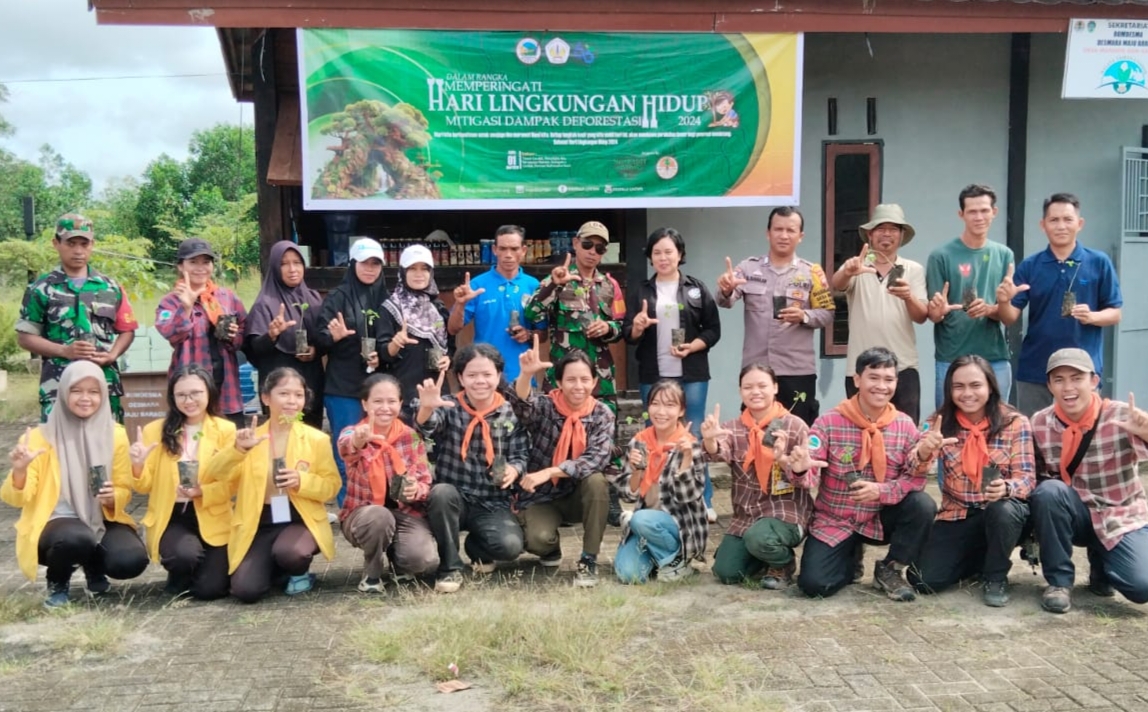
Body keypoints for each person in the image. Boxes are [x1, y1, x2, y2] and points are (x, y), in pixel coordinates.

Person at [794, 348, 942, 601]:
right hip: (836, 519)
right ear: (857, 379)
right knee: (814, 585)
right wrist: (800, 468)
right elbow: (811, 472)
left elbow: (914, 478)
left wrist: (923, 456)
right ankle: (850, 556)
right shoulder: (828, 423)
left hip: (881, 516)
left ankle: (890, 567)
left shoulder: (904, 425)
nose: (881, 386)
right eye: (874, 377)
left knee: (922, 504)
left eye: (889, 379)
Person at [1, 360, 147, 607]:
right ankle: (58, 581)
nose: (85, 398)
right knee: (76, 538)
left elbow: (124, 489)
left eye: (93, 391)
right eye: (76, 390)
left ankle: (93, 565)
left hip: (100, 518)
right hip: (56, 523)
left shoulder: (116, 434)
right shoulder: (40, 437)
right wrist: (20, 470)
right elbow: (15, 498)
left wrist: (113, 497)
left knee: (130, 560)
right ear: (64, 393)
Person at [201, 367, 340, 602]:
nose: (292, 401)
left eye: (298, 395)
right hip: (260, 521)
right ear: (266, 398)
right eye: (284, 394)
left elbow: (331, 486)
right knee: (245, 591)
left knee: (291, 553)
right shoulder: (250, 438)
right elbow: (216, 474)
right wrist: (237, 450)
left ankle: (297, 570)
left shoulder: (317, 439)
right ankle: (275, 569)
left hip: (299, 517)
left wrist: (302, 481)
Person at [1028, 348, 1148, 614]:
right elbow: (1031, 475)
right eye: (1058, 379)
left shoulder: (1120, 415)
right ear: (1049, 385)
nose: (1068, 387)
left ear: (1094, 381)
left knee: (1142, 586)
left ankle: (1103, 566)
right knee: (1048, 491)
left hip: (1121, 516)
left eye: (1077, 377)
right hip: (1076, 512)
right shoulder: (1039, 423)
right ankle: (1059, 582)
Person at [909, 356, 1035, 607]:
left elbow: (1028, 478)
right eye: (959, 386)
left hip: (1002, 511)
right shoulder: (939, 421)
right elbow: (913, 466)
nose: (967, 393)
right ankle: (984, 556)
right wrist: (924, 451)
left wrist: (1007, 487)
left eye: (975, 385)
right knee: (922, 580)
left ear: (990, 386)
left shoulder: (1014, 422)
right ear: (949, 390)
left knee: (1003, 510)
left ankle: (996, 576)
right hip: (959, 513)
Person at [623, 227, 722, 522]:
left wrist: (693, 346)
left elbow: (713, 329)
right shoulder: (641, 291)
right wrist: (638, 326)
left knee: (691, 436)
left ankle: (701, 499)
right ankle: (655, 498)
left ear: (680, 254)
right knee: (654, 436)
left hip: (691, 374)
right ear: (650, 257)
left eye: (669, 251)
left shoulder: (697, 288)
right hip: (654, 375)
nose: (663, 257)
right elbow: (628, 334)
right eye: (657, 252)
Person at [417, 344, 529, 593]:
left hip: (492, 500)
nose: (480, 381)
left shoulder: (510, 411)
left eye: (487, 374)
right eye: (472, 375)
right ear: (460, 377)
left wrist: (514, 469)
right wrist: (426, 408)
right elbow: (427, 426)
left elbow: (521, 454)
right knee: (441, 493)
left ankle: (476, 548)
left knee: (510, 547)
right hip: (454, 498)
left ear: (498, 376)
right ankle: (450, 566)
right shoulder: (448, 405)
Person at [996, 193, 1123, 415]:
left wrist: (1092, 316)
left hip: (1083, 371)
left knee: (1084, 438)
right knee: (1036, 440)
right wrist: (1004, 300)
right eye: (1054, 220)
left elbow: (1115, 313)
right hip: (1036, 371)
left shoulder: (1098, 262)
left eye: (1068, 219)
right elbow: (1009, 317)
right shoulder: (1031, 266)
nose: (1061, 226)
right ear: (1043, 225)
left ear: (1079, 224)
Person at [510, 342, 615, 587]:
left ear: (594, 382)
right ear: (559, 383)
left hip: (579, 496)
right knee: (538, 540)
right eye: (571, 380)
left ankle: (589, 559)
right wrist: (526, 375)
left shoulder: (602, 414)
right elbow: (522, 406)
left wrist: (550, 471)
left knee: (596, 481)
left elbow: (596, 458)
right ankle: (551, 549)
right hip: (542, 496)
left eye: (584, 379)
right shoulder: (546, 406)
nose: (578, 386)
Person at [716, 207, 834, 425]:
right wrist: (725, 288)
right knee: (756, 430)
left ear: (801, 236)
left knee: (796, 430)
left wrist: (804, 316)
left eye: (791, 230)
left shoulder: (812, 273)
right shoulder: (748, 268)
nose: (784, 235)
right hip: (757, 368)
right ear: (768, 233)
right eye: (778, 229)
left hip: (797, 368)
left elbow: (827, 314)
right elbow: (726, 301)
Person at [16, 213, 138, 422]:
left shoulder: (110, 287)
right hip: (58, 385)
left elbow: (127, 329)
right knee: (58, 449)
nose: (78, 250)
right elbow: (25, 337)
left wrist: (112, 355)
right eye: (71, 243)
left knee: (107, 447)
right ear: (56, 243)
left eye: (84, 243)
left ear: (92, 244)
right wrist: (64, 350)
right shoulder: (41, 288)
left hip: (103, 383)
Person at [130, 364, 236, 599]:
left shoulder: (226, 430)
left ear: (209, 392)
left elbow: (232, 484)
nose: (189, 400)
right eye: (181, 395)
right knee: (184, 556)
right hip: (173, 515)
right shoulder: (155, 431)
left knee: (211, 590)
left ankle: (197, 574)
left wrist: (202, 492)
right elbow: (143, 486)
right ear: (172, 397)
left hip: (211, 512)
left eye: (196, 393)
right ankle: (179, 573)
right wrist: (137, 465)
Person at [704, 364, 812, 589]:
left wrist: (784, 461)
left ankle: (783, 563)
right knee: (726, 572)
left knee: (759, 537)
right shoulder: (733, 427)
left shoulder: (793, 425)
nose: (755, 392)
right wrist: (709, 440)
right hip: (747, 517)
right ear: (740, 391)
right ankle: (764, 558)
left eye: (762, 385)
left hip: (786, 515)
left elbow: (810, 479)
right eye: (748, 387)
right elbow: (716, 453)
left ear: (775, 387)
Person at [337, 373, 439, 592]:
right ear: (364, 404)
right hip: (364, 514)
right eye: (377, 401)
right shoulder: (353, 432)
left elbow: (424, 479)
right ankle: (372, 573)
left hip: (404, 512)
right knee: (379, 516)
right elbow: (347, 447)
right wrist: (359, 440)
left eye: (391, 401)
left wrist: (416, 490)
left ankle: (397, 556)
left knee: (423, 561)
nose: (385, 407)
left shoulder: (410, 436)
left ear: (400, 404)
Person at [830, 204, 927, 423]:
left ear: (901, 235)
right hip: (861, 368)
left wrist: (908, 296)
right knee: (861, 431)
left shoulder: (913, 269)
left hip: (903, 366)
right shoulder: (856, 265)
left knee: (906, 433)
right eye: (880, 228)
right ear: (870, 234)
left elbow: (921, 316)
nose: (887, 234)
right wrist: (847, 271)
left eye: (893, 229)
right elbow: (836, 285)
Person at [926, 184, 1016, 408]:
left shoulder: (1004, 254)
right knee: (948, 425)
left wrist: (993, 308)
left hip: (993, 356)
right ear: (961, 214)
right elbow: (934, 313)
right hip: (952, 356)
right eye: (972, 211)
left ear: (994, 212)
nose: (979, 217)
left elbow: (1008, 317)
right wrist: (938, 310)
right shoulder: (941, 256)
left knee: (998, 424)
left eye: (985, 210)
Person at [612, 380, 707, 584]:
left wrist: (687, 459)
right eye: (655, 403)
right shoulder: (639, 441)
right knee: (629, 575)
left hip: (678, 525)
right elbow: (627, 494)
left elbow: (687, 496)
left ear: (681, 411)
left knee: (640, 519)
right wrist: (637, 469)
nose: (661, 411)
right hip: (646, 524)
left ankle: (678, 559)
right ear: (648, 407)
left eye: (670, 405)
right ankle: (664, 560)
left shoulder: (690, 444)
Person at [314, 237, 387, 505]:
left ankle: (376, 503)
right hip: (343, 387)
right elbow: (318, 341)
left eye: (375, 264)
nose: (370, 269)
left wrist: (384, 352)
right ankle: (349, 505)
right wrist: (334, 337)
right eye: (364, 263)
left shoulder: (385, 298)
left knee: (376, 446)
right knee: (347, 446)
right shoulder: (338, 297)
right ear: (352, 264)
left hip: (377, 387)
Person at [524, 221, 626, 411]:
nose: (592, 252)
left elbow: (621, 325)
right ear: (575, 243)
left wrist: (608, 328)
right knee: (560, 434)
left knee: (601, 435)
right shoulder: (556, 279)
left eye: (599, 248)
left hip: (599, 379)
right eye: (587, 244)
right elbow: (531, 312)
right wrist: (555, 285)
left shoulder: (610, 285)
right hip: (563, 378)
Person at [156, 238, 248, 427]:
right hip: (190, 388)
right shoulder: (171, 301)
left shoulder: (226, 297)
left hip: (226, 387)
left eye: (206, 262)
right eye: (193, 262)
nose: (200, 268)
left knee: (232, 444)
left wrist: (234, 335)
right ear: (181, 266)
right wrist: (187, 307)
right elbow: (170, 334)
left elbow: (244, 331)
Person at [243, 241, 325, 429]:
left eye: (297, 262)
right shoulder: (264, 303)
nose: (292, 269)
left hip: (310, 383)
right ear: (274, 267)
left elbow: (321, 338)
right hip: (279, 386)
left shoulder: (313, 298)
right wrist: (271, 335)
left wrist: (316, 350)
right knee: (281, 440)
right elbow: (254, 348)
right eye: (284, 264)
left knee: (310, 441)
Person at [448, 225, 543, 382]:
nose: (508, 255)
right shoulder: (478, 285)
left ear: (524, 250)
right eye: (503, 248)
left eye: (514, 249)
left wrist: (528, 334)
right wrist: (460, 304)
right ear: (494, 250)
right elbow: (453, 328)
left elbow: (544, 333)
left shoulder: (533, 286)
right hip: (485, 376)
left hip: (522, 375)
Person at [377, 244, 453, 419]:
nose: (419, 274)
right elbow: (382, 353)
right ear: (403, 272)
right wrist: (395, 344)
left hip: (437, 389)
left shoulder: (437, 307)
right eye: (412, 268)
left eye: (424, 269)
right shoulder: (391, 308)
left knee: (438, 442)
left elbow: (451, 345)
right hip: (404, 391)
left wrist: (448, 359)